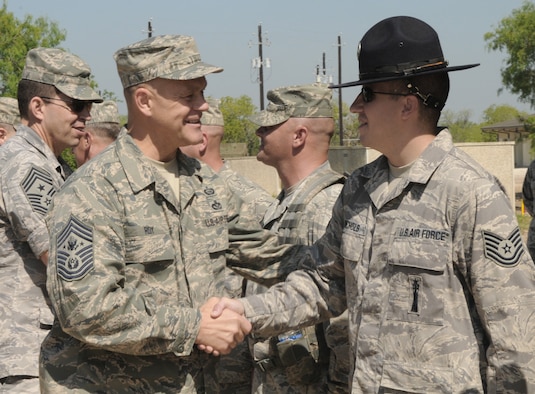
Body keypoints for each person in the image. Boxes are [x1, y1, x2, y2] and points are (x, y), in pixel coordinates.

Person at [210, 16, 535, 392]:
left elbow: (516, 336)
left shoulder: (470, 194)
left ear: (407, 106)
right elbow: (323, 283)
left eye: (368, 94)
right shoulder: (359, 188)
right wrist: (246, 312)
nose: (354, 107)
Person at [40, 34, 293, 393]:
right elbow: (85, 309)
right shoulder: (93, 191)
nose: (203, 106)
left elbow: (267, 255)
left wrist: (346, 257)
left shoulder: (205, 184)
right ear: (144, 100)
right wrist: (193, 327)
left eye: (202, 93)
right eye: (188, 95)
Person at [0, 47, 102, 393]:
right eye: (75, 105)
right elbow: (66, 262)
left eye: (88, 106)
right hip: (30, 359)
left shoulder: (50, 165)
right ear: (38, 107)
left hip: (48, 357)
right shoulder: (26, 166)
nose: (85, 115)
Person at [245, 83, 348, 393]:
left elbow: (342, 320)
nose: (259, 132)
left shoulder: (326, 205)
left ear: (299, 136)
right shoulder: (283, 204)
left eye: (269, 125)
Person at [181, 97, 276, 393]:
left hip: (233, 358)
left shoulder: (249, 199)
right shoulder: (184, 189)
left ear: (202, 138)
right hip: (187, 350)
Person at [72, 100, 121, 167]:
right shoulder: (131, 168)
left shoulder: (87, 175)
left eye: (77, 138)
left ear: (86, 140)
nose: (72, 151)